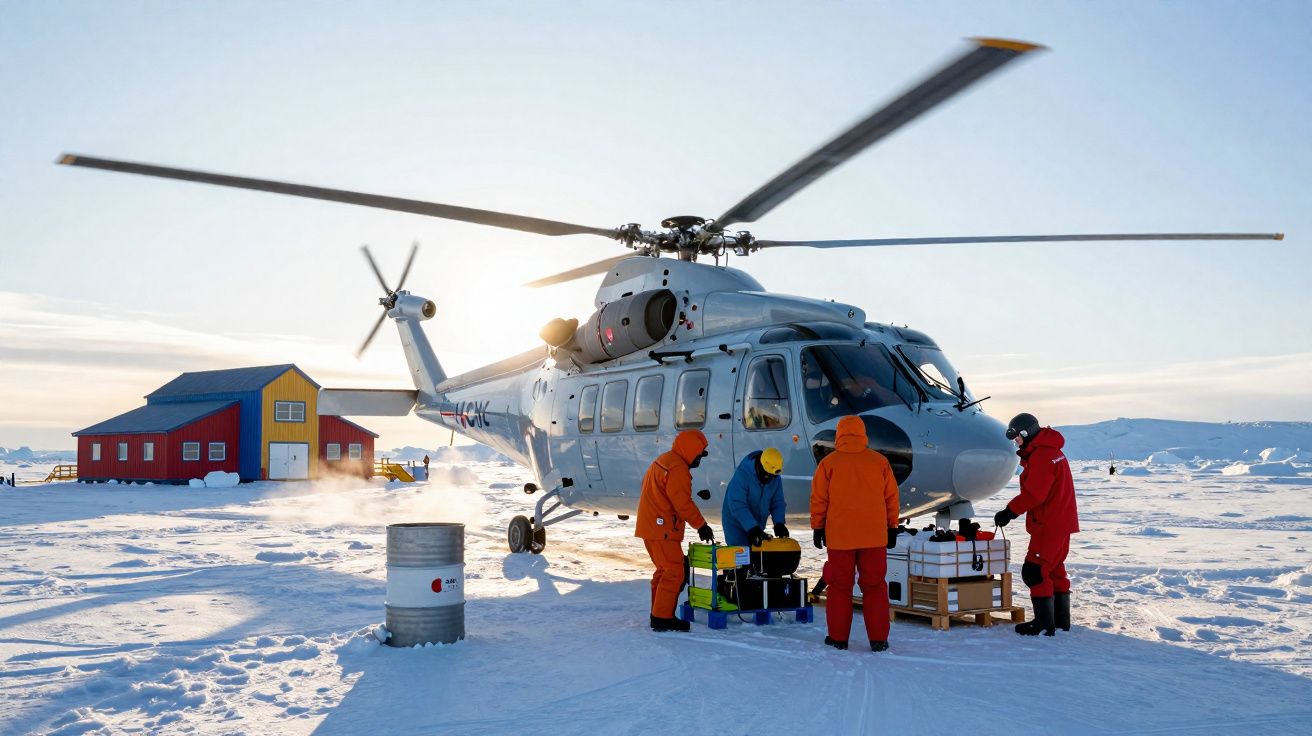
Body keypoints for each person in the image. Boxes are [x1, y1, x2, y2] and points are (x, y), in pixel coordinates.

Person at [811, 415, 900, 652]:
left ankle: (838, 638)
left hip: (840, 538)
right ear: (863, 434)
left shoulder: (828, 464)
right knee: (875, 587)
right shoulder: (879, 462)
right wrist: (892, 526)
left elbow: (819, 499)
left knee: (840, 588)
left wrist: (818, 527)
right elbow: (891, 498)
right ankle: (878, 639)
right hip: (874, 537)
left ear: (839, 434)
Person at [994, 412, 1080, 636]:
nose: (1015, 442)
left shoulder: (1042, 456)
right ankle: (1060, 621)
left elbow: (1035, 494)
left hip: (1048, 524)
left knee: (1035, 571)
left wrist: (1009, 512)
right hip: (1060, 522)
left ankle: (1043, 624)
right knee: (1054, 570)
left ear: (1026, 433)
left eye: (1017, 437)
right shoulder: (1053, 451)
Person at [635, 429, 715, 632]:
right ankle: (662, 618)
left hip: (650, 527)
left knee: (663, 571)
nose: (700, 460)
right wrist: (701, 525)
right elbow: (682, 503)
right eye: (699, 454)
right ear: (690, 450)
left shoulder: (664, 460)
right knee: (674, 571)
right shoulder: (678, 469)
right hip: (662, 529)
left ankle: (658, 612)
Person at [721, 448, 788, 547]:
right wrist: (752, 528)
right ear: (760, 466)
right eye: (766, 475)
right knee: (741, 557)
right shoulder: (743, 475)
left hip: (756, 525)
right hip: (735, 524)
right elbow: (737, 504)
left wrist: (779, 523)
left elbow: (777, 502)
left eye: (771, 476)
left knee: (757, 557)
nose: (769, 479)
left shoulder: (774, 477)